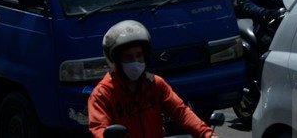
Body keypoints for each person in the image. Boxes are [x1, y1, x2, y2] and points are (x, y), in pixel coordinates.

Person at [88, 20, 216, 138]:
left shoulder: (154, 84)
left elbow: (181, 112)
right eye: (128, 57)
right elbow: (99, 129)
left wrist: (206, 134)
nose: (136, 61)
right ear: (115, 61)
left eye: (139, 55)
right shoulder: (102, 95)